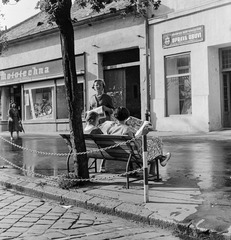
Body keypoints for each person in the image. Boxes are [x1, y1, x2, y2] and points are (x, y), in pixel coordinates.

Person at [100, 107, 171, 175]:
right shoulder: (127, 129)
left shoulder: (111, 127)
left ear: (115, 116)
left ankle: (162, 158)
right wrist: (143, 132)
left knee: (153, 141)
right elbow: (134, 142)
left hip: (114, 152)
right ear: (127, 116)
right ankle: (159, 161)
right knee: (155, 142)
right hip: (132, 154)